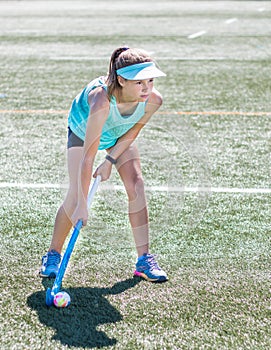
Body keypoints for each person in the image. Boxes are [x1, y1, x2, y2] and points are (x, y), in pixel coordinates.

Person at [39, 47, 168, 283]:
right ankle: (52, 255)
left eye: (150, 80)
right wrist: (82, 205)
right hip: (82, 132)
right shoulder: (101, 101)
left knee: (137, 185)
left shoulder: (153, 100)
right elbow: (88, 157)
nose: (147, 88)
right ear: (121, 80)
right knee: (76, 195)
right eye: (140, 82)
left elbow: (133, 132)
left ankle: (144, 259)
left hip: (119, 135)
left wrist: (110, 160)